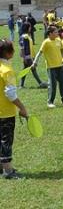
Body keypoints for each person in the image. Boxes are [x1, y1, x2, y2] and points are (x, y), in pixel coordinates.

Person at [0, 39, 29, 179]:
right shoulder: (7, 71)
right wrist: (22, 108)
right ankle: (8, 171)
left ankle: (2, 167)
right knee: (6, 140)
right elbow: (10, 94)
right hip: (5, 113)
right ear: (8, 53)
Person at [33, 25, 63, 109]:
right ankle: (50, 102)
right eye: (55, 32)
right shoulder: (46, 42)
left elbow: (62, 50)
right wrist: (35, 62)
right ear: (50, 33)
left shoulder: (58, 40)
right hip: (51, 67)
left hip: (60, 65)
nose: (57, 33)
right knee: (53, 84)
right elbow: (40, 52)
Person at [18, 23, 45, 88]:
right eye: (29, 27)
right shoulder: (24, 37)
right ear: (27, 28)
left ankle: (21, 85)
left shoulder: (27, 36)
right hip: (27, 57)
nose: (30, 28)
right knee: (33, 69)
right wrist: (24, 58)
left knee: (25, 70)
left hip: (29, 56)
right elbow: (22, 48)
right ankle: (40, 83)